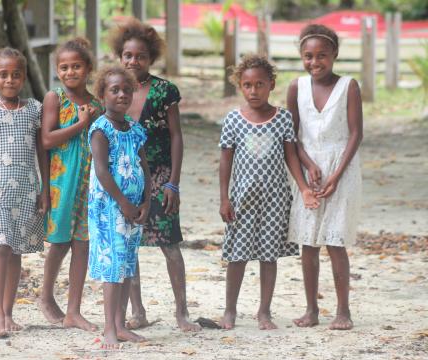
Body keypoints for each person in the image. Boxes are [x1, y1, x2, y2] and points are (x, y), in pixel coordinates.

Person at [110, 18, 201, 332]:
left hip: (161, 178)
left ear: (151, 59)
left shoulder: (164, 91)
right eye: (128, 56)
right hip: (126, 180)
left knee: (170, 244)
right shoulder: (113, 90)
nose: (134, 61)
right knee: (129, 245)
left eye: (140, 56)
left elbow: (176, 136)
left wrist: (173, 182)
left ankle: (182, 313)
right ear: (120, 57)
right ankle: (138, 312)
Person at [218, 54, 319, 330]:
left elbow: (291, 157)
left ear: (271, 85)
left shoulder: (283, 118)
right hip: (243, 199)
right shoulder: (233, 120)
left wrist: (304, 188)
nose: (254, 91)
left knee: (268, 255)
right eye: (248, 85)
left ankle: (264, 311)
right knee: (237, 255)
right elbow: (226, 161)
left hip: (276, 199)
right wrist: (225, 198)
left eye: (260, 84)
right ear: (240, 86)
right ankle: (230, 310)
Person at [287, 24, 363, 330]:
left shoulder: (349, 86)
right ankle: (311, 309)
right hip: (308, 173)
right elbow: (290, 134)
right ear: (301, 57)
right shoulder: (296, 87)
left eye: (322, 55)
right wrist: (306, 163)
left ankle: (343, 311)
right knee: (308, 241)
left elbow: (356, 133)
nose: (315, 62)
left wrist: (336, 174)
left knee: (335, 241)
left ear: (334, 55)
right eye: (308, 56)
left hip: (341, 168)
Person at [0, 47, 49, 337]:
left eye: (16, 74)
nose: (10, 80)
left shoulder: (35, 109)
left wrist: (45, 189)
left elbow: (42, 153)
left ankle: (9, 311)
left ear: (24, 77)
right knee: (0, 247)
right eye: (3, 74)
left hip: (26, 191)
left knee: (16, 250)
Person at [39, 37, 103, 331]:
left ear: (88, 68)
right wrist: (80, 124)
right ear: (57, 71)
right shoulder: (55, 98)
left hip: (89, 184)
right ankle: (46, 296)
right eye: (63, 67)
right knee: (59, 242)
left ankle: (73, 311)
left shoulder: (97, 105)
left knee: (83, 243)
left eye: (76, 66)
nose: (69, 72)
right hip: (61, 183)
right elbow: (47, 139)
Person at [88, 65, 151, 349]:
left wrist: (146, 201)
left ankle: (122, 324)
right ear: (102, 96)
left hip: (133, 209)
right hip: (109, 208)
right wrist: (124, 203)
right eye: (114, 90)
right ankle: (109, 328)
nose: (122, 94)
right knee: (113, 267)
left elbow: (144, 168)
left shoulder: (136, 129)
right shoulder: (100, 129)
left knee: (126, 265)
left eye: (126, 90)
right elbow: (102, 172)